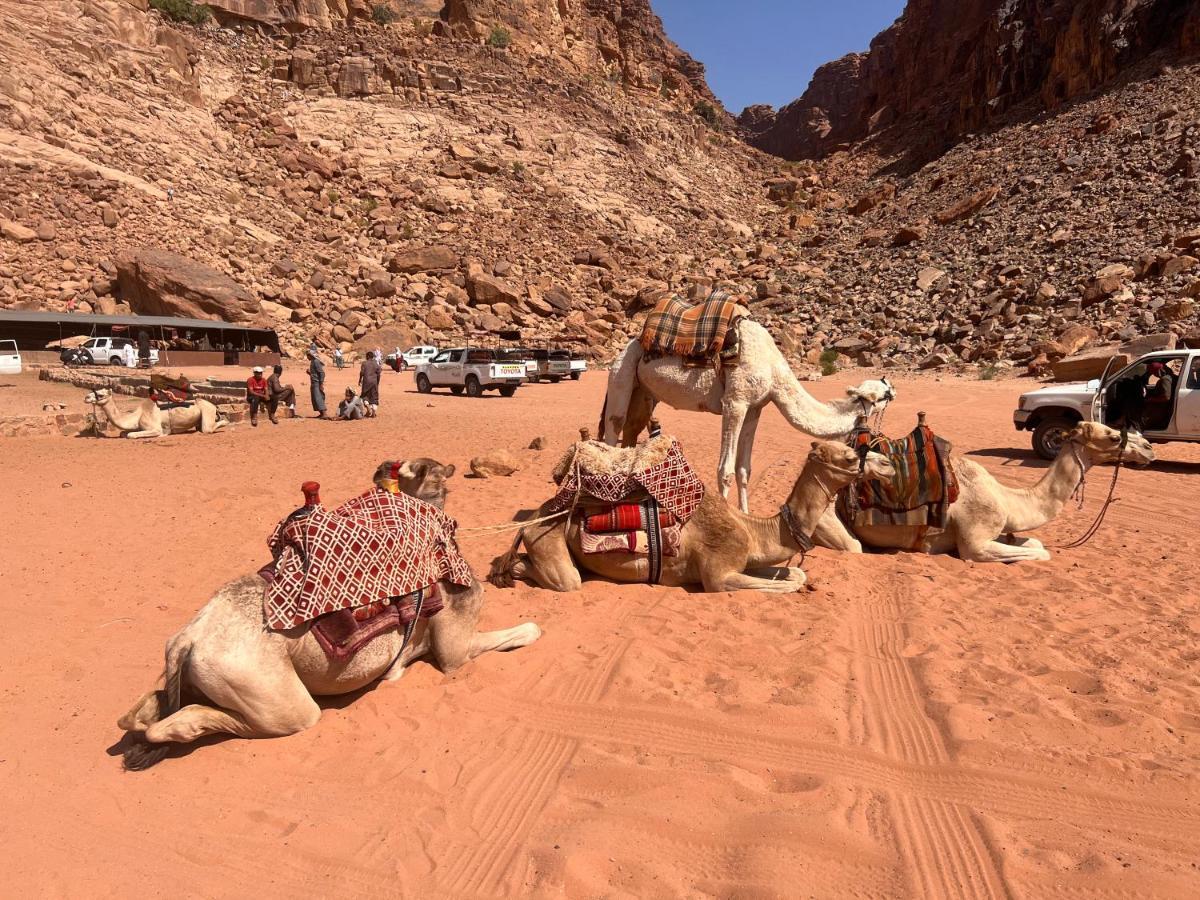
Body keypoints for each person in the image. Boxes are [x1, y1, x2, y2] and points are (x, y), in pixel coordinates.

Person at [308, 348, 328, 419]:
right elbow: (315, 374)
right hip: (314, 382)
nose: (307, 357)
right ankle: (321, 413)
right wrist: (310, 373)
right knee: (315, 398)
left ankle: (324, 413)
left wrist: (321, 384)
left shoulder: (316, 361)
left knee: (318, 398)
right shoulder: (313, 362)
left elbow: (322, 373)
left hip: (317, 383)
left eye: (308, 355)